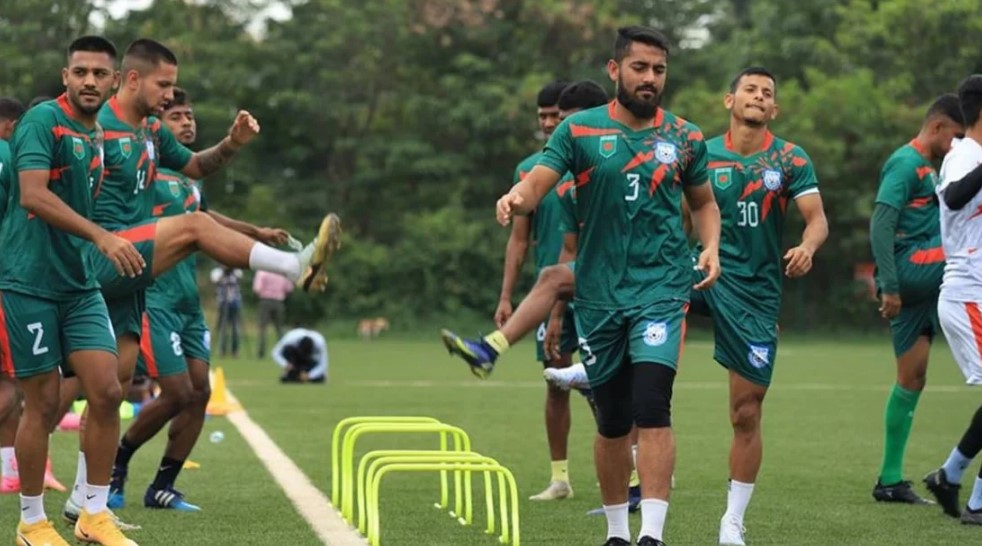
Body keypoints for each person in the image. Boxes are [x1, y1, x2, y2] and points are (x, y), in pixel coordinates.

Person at [63, 37, 342, 525]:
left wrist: (233, 143)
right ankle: (294, 266)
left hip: (132, 275)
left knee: (110, 392)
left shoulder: (151, 130)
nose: (171, 95)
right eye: (164, 85)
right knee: (193, 228)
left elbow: (197, 165)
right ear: (132, 79)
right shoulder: (97, 125)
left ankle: (85, 500)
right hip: (100, 257)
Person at [495, 26, 721, 546]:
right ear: (615, 70)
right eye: (640, 68)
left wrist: (710, 245)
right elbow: (537, 184)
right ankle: (618, 533)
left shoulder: (685, 136)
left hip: (662, 289)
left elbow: (705, 203)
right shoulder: (578, 132)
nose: (650, 78)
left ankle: (652, 536)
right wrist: (515, 198)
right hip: (599, 295)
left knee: (653, 405)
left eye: (659, 70)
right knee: (614, 419)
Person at [109, 87, 289, 512]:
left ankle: (163, 487)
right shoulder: (145, 169)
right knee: (174, 392)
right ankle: (116, 464)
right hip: (155, 298)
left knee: (200, 392)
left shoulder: (189, 177)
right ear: (156, 126)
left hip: (188, 304)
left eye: (189, 115)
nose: (187, 122)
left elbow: (205, 219)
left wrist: (254, 232)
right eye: (176, 117)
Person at [1, 35, 139, 546]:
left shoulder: (97, 133)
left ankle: (92, 515)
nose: (89, 81)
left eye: (99, 74)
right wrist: (102, 237)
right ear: (66, 76)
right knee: (40, 405)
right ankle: (31, 522)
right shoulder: (43, 121)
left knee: (107, 391)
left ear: (114, 81)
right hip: (29, 284)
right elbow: (33, 196)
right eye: (80, 72)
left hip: (78, 285)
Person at [870, 94, 965, 505]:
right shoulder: (905, 163)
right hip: (911, 269)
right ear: (937, 127)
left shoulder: (933, 167)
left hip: (923, 283)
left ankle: (889, 480)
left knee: (912, 378)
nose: (959, 144)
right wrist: (889, 285)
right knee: (967, 252)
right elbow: (881, 224)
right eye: (956, 136)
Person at [0, 96, 68, 497]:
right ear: (12, 126)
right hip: (16, 278)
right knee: (17, 387)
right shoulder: (10, 154)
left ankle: (10, 470)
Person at [923, 74, 982, 525]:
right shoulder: (963, 155)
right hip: (966, 295)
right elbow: (957, 198)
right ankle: (971, 496)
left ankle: (951, 475)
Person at [253, 271, 293, 357]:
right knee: (280, 327)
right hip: (278, 301)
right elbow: (289, 289)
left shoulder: (262, 272)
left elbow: (257, 289)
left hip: (265, 301)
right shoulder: (282, 273)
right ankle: (284, 350)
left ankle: (261, 352)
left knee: (263, 328)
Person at [211, 266, 243, 357]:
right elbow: (215, 281)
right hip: (222, 303)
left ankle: (235, 350)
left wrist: (232, 271)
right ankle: (222, 349)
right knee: (223, 327)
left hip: (234, 303)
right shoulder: (217, 272)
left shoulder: (236, 272)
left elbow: (240, 279)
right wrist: (224, 273)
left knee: (235, 327)